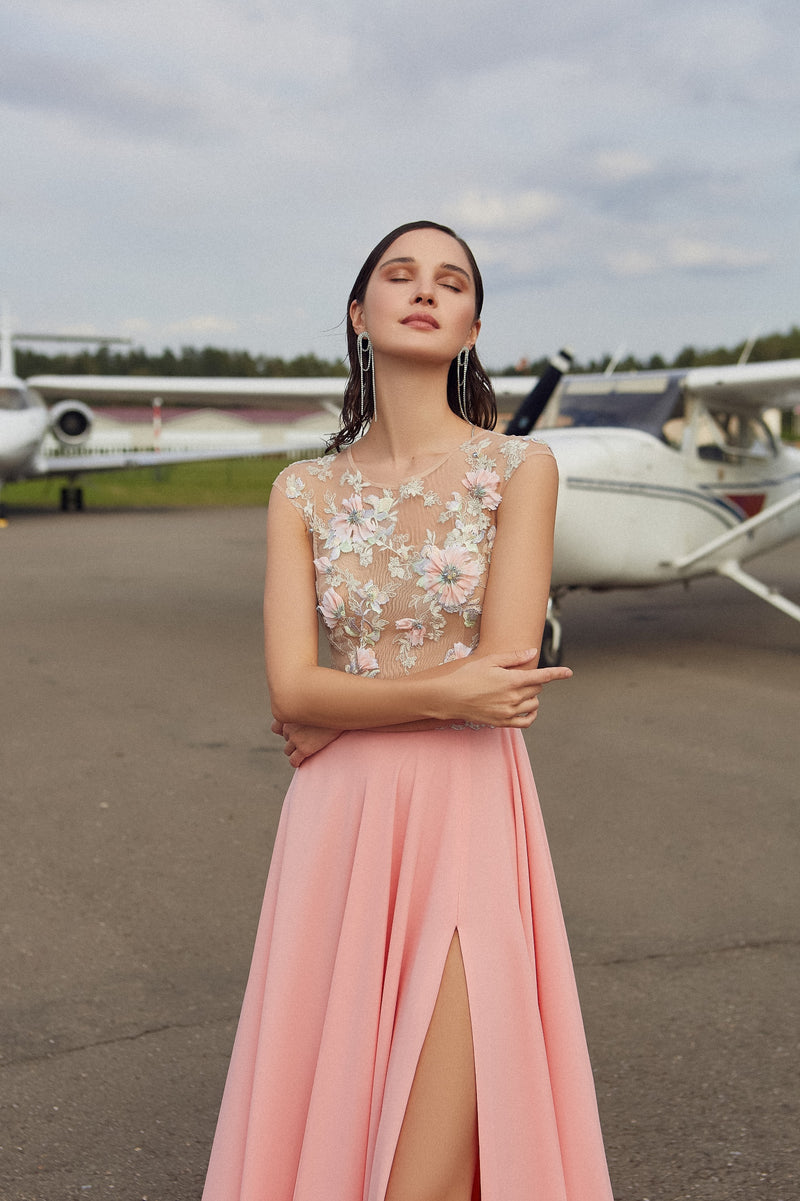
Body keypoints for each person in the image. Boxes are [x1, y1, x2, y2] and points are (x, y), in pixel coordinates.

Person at [202, 221, 613, 1200]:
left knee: (422, 1172)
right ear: (358, 312)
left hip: (468, 819)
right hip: (334, 831)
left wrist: (347, 707)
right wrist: (423, 693)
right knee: (335, 1127)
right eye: (399, 274)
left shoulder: (519, 470)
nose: (424, 290)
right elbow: (290, 691)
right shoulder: (300, 490)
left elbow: (501, 685)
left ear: (471, 325)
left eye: (451, 281)